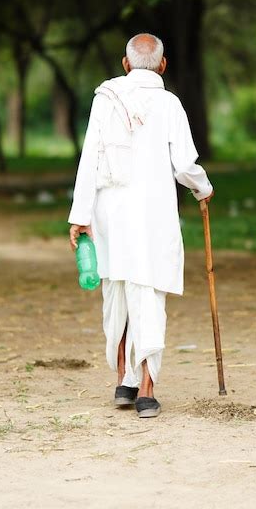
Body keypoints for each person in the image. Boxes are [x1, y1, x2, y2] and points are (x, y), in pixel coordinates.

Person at [68, 33, 213, 418]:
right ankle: (146, 390)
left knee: (116, 292)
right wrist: (203, 189)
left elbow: (89, 160)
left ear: (126, 63)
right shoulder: (170, 104)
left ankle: (123, 381)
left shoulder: (105, 99)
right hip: (152, 217)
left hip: (110, 215)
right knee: (147, 293)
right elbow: (184, 166)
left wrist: (79, 217)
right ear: (163, 66)